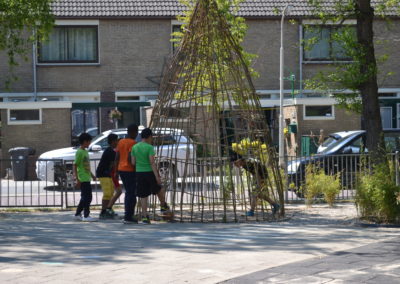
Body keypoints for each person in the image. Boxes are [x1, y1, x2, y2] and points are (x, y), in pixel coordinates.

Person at [131, 128, 169, 224]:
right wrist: (157, 176)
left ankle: (144, 217)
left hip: (139, 173)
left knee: (143, 195)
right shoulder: (149, 147)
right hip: (149, 172)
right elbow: (152, 162)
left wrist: (140, 164)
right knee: (158, 189)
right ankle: (163, 204)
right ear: (149, 137)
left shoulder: (135, 147)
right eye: (151, 137)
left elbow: (133, 162)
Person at [115, 124, 138, 224]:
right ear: (133, 132)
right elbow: (130, 157)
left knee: (128, 192)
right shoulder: (133, 143)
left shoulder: (120, 142)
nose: (137, 134)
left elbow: (117, 157)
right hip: (129, 170)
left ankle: (127, 214)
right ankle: (129, 216)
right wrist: (135, 168)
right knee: (131, 193)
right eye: (136, 132)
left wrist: (116, 171)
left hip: (121, 169)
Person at [96, 133, 121, 219]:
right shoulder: (110, 151)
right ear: (113, 141)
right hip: (103, 174)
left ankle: (108, 210)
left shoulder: (112, 150)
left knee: (110, 193)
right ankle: (103, 212)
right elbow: (113, 164)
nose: (117, 142)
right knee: (107, 193)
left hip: (108, 174)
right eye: (116, 140)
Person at [73, 133, 97, 222]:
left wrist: (92, 175)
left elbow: (86, 166)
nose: (90, 143)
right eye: (89, 141)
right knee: (87, 197)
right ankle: (86, 215)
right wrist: (77, 179)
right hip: (82, 178)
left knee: (85, 197)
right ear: (85, 141)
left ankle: (77, 214)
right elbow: (75, 165)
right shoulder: (79, 152)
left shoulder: (85, 151)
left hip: (87, 177)